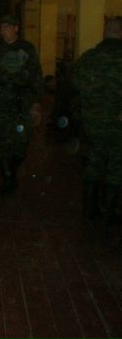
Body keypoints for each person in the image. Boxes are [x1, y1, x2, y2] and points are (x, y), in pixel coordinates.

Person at [0, 15, 43, 193]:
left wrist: (37, 102)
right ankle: (8, 181)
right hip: (1, 100)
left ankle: (11, 171)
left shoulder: (27, 48)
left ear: (16, 28)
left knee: (23, 140)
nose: (4, 30)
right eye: (2, 27)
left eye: (8, 26)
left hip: (23, 100)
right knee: (3, 141)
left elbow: (36, 75)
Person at [72, 17, 122, 223]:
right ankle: (109, 212)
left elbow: (74, 85)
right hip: (117, 123)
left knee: (93, 162)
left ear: (105, 32)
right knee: (116, 167)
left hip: (92, 122)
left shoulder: (88, 57)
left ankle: (89, 210)